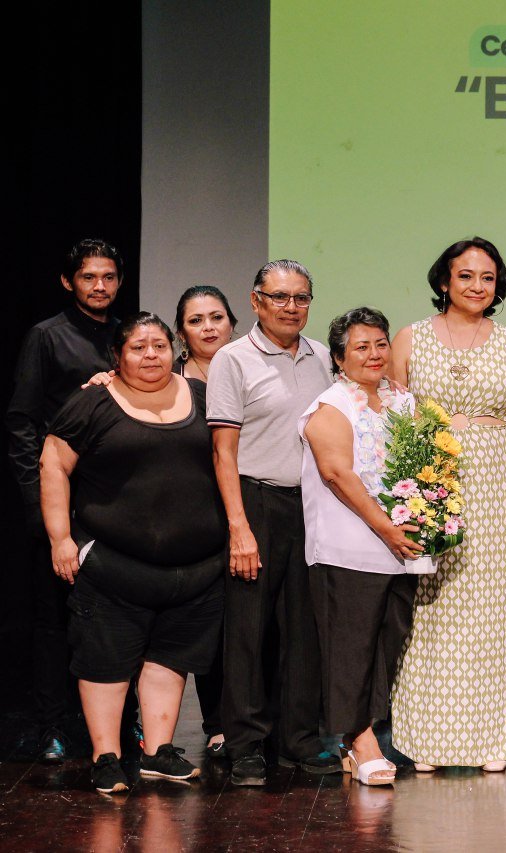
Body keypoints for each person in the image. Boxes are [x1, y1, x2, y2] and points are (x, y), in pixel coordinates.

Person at [40, 313, 225, 793]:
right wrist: (61, 538)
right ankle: (106, 756)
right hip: (113, 567)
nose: (150, 355)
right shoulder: (93, 402)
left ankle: (158, 752)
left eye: (159, 345)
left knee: (169, 658)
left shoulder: (203, 397)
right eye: (138, 347)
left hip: (194, 571)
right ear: (117, 357)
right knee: (105, 662)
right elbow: (53, 463)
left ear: (173, 350)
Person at [388, 237, 506, 772]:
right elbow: (393, 418)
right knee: (431, 607)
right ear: (444, 281)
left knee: (492, 609)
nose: (477, 286)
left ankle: (490, 740)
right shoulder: (410, 337)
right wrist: (403, 494)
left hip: (496, 484)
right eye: (466, 275)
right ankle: (426, 739)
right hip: (431, 482)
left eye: (488, 277)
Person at [206, 260, 338, 785]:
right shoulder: (233, 359)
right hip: (256, 502)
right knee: (247, 629)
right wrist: (239, 527)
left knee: (305, 628)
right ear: (256, 301)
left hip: (313, 505)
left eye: (301, 297)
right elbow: (223, 451)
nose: (291, 307)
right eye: (279, 297)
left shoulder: (322, 357)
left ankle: (298, 739)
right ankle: (244, 744)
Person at [6, 238, 127, 763]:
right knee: (54, 619)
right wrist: (37, 503)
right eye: (88, 277)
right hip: (60, 499)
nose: (99, 286)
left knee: (119, 616)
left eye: (108, 277)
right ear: (67, 281)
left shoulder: (127, 335)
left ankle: (119, 726)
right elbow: (22, 422)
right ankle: (52, 726)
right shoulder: (46, 336)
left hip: (118, 498)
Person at [301, 307, 419, 785]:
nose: (374, 354)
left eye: (380, 344)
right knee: (350, 648)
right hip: (347, 548)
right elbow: (337, 475)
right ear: (338, 358)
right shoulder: (331, 407)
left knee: (385, 645)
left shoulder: (403, 401)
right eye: (361, 347)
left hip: (398, 551)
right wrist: (386, 528)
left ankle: (370, 734)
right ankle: (358, 741)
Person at [175, 285, 238, 755]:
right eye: (196, 320)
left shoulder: (250, 367)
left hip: (249, 504)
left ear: (233, 323)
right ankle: (217, 721)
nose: (209, 327)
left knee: (252, 620)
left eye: (217, 317)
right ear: (181, 333)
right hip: (192, 515)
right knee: (208, 621)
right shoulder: (168, 380)